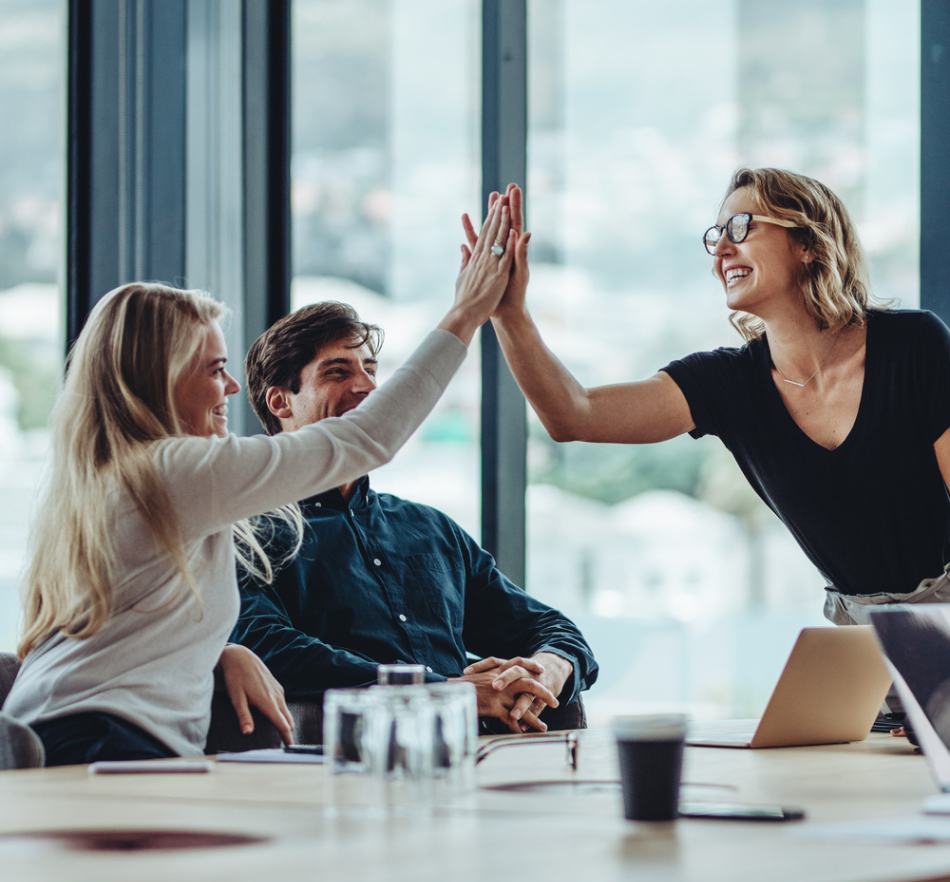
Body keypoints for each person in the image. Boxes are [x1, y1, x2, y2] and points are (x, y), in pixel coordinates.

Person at [1, 195, 516, 766]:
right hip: (101, 739)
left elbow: (130, 625)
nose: (232, 389)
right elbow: (366, 439)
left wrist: (221, 651)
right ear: (161, 378)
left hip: (62, 730)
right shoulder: (170, 471)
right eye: (214, 369)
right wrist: (465, 315)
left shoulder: (113, 477)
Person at [463, 171, 950, 629]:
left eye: (741, 226)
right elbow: (574, 414)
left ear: (807, 243)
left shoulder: (914, 346)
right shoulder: (729, 383)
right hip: (865, 647)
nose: (721, 249)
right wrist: (509, 314)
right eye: (715, 235)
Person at [232, 302, 598, 735]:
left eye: (370, 369)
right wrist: (441, 690)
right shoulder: (246, 531)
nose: (368, 386)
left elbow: (550, 627)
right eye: (337, 372)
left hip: (477, 758)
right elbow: (266, 646)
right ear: (281, 401)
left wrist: (548, 669)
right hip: (343, 762)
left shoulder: (430, 528)